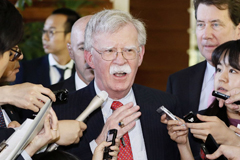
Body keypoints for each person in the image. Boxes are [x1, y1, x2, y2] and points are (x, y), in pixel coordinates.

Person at [52, 9, 181, 160]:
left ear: (141, 55)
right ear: (90, 58)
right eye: (109, 51)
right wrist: (99, 143)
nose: (120, 60)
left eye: (128, 50)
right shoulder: (61, 113)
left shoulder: (165, 105)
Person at [166, 0, 240, 157]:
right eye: (200, 24)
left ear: (238, 30)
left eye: (215, 24)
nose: (206, 35)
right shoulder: (177, 81)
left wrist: (233, 139)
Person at [14, 8, 80, 87]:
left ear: (70, 36)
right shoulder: (26, 70)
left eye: (51, 32)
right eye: (44, 31)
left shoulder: (84, 70)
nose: (44, 37)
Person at [50, 15, 94, 92]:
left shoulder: (121, 96)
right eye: (82, 48)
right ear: (70, 51)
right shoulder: (49, 98)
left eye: (99, 49)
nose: (90, 58)